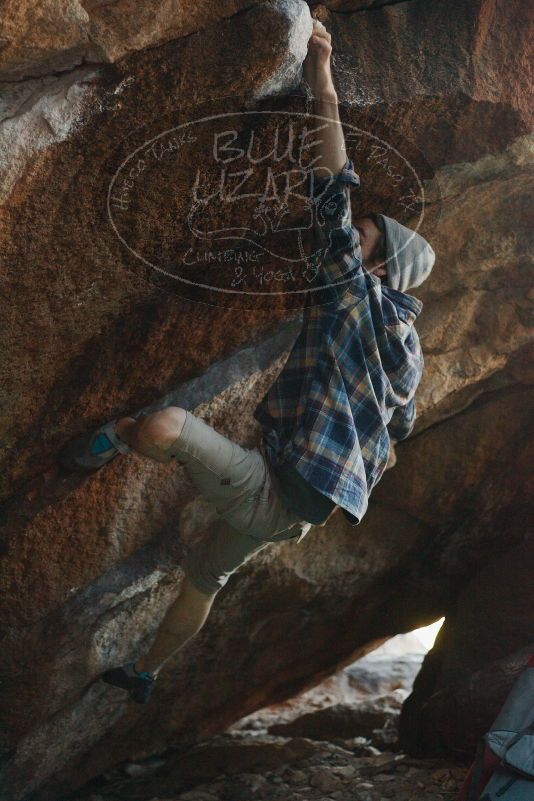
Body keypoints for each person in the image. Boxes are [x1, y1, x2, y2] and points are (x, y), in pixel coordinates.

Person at [61, 19, 435, 704]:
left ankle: (109, 438)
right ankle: (146, 675)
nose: (352, 234)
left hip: (274, 487)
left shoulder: (355, 297)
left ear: (380, 265)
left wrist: (321, 73)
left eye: (364, 236)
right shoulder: (408, 348)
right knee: (207, 577)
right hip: (302, 506)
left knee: (167, 426)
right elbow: (403, 423)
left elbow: (331, 186)